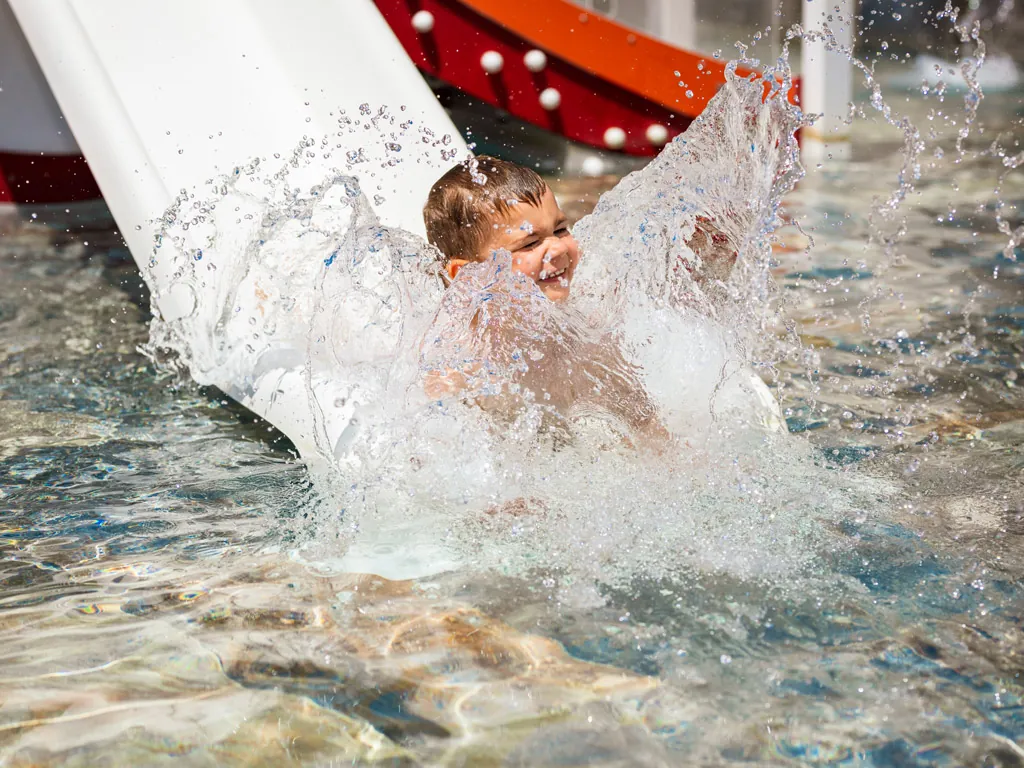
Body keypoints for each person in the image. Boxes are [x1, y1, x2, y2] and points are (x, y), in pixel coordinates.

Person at [419, 156, 671, 448]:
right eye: (529, 243)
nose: (558, 247)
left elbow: (644, 422)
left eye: (560, 229)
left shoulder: (585, 331)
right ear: (469, 275)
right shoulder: (460, 360)